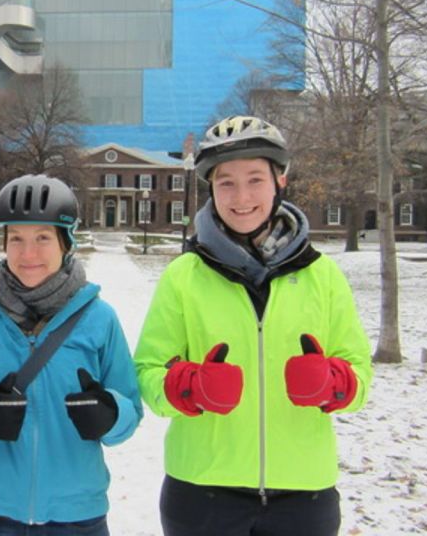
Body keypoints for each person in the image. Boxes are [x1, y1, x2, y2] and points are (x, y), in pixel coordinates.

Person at [133, 116, 373, 536]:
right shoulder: (184, 276)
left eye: (255, 179)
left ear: (280, 180)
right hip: (202, 492)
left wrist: (334, 383)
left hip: (304, 496)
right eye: (226, 182)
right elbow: (147, 372)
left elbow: (360, 374)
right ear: (211, 188)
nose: (241, 197)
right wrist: (189, 386)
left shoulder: (324, 276)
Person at [0, 174, 143, 536]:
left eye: (42, 238)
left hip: (77, 518)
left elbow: (131, 409)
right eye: (16, 239)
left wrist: (110, 415)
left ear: (66, 242)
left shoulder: (98, 318)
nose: (28, 254)